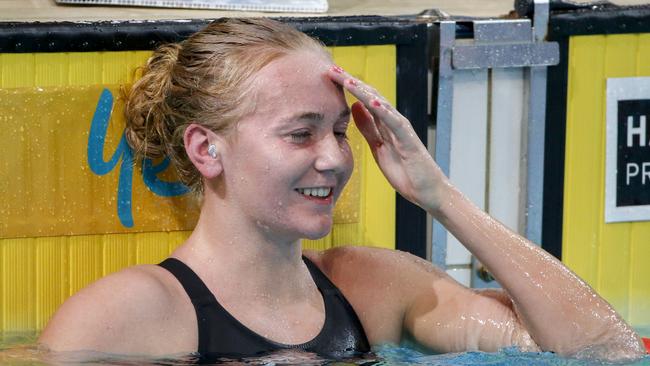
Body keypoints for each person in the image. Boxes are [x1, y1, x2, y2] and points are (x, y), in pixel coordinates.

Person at [38, 18, 645, 362]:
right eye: (300, 134)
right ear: (207, 149)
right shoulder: (124, 317)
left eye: (337, 131)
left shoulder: (373, 287)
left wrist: (441, 199)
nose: (332, 158)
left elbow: (602, 349)